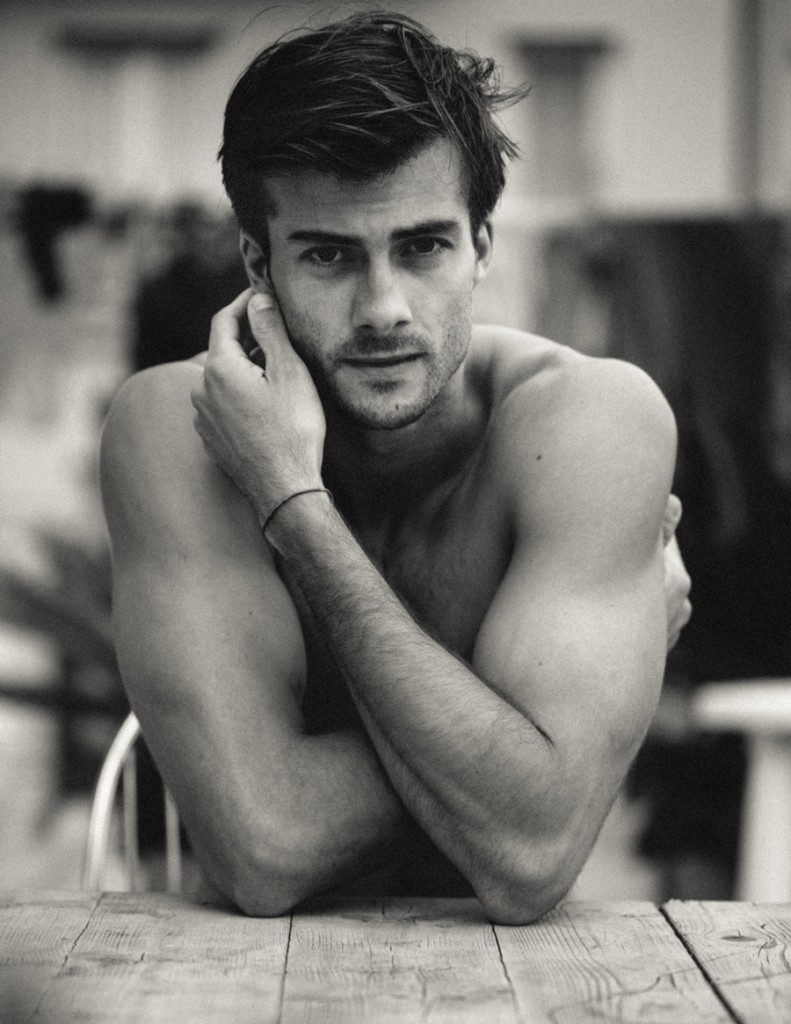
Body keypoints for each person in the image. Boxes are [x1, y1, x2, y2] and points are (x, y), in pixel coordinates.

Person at [100, 12, 691, 923]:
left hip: (520, 981)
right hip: (237, 976)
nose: (382, 308)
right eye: (329, 255)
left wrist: (293, 509)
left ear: (481, 246)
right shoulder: (174, 429)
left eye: (422, 247)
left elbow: (528, 863)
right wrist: (525, 766)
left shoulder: (591, 421)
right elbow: (266, 851)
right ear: (259, 265)